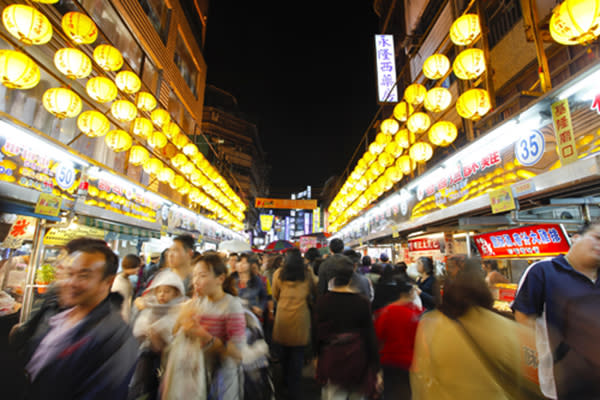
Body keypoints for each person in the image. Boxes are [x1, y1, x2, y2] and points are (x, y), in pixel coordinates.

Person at [411, 258, 544, 400]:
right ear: (484, 292)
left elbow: (420, 376)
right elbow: (536, 379)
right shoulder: (505, 328)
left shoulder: (429, 326)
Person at [19, 243, 138, 399]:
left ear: (108, 281)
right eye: (69, 273)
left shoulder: (117, 337)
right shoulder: (55, 314)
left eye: (84, 276)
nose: (71, 282)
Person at [512, 221, 600, 400]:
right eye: (597, 237)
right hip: (564, 383)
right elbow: (523, 317)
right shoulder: (543, 271)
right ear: (575, 238)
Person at [175, 252, 246, 399]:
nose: (196, 281)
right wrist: (182, 318)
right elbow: (175, 334)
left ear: (220, 279)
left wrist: (204, 336)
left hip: (222, 380)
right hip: (196, 376)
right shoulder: (196, 303)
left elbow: (237, 353)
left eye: (202, 275)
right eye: (194, 276)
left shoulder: (232, 306)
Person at [315, 254, 380, 400]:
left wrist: (317, 356)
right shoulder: (362, 302)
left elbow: (318, 333)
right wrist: (375, 366)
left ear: (331, 278)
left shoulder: (323, 302)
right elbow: (369, 334)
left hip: (333, 359)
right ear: (351, 277)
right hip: (358, 359)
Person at [129, 270, 185, 400]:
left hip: (170, 359)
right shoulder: (149, 307)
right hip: (147, 356)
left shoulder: (180, 309)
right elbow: (138, 330)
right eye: (159, 291)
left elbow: (175, 334)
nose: (162, 295)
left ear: (176, 293)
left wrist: (158, 332)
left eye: (167, 291)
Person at [271, 248, 317, 400]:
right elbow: (314, 289)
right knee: (297, 356)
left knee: (284, 354)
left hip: (283, 317)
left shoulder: (279, 274)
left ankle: (284, 383)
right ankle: (294, 390)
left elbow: (275, 295)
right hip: (300, 317)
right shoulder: (307, 273)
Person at [374, 277, 422, 400]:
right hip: (411, 361)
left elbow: (378, 338)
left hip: (389, 360)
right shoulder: (416, 313)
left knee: (391, 392)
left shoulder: (385, 312)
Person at [235, 253, 268, 320]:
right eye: (239, 262)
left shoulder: (256, 280)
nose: (240, 264)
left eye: (244, 263)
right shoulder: (232, 279)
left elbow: (264, 296)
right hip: (235, 317)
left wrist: (260, 307)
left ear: (250, 265)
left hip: (250, 317)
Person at [111, 253, 140, 322]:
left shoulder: (125, 279)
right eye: (138, 266)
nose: (139, 269)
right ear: (131, 266)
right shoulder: (119, 282)